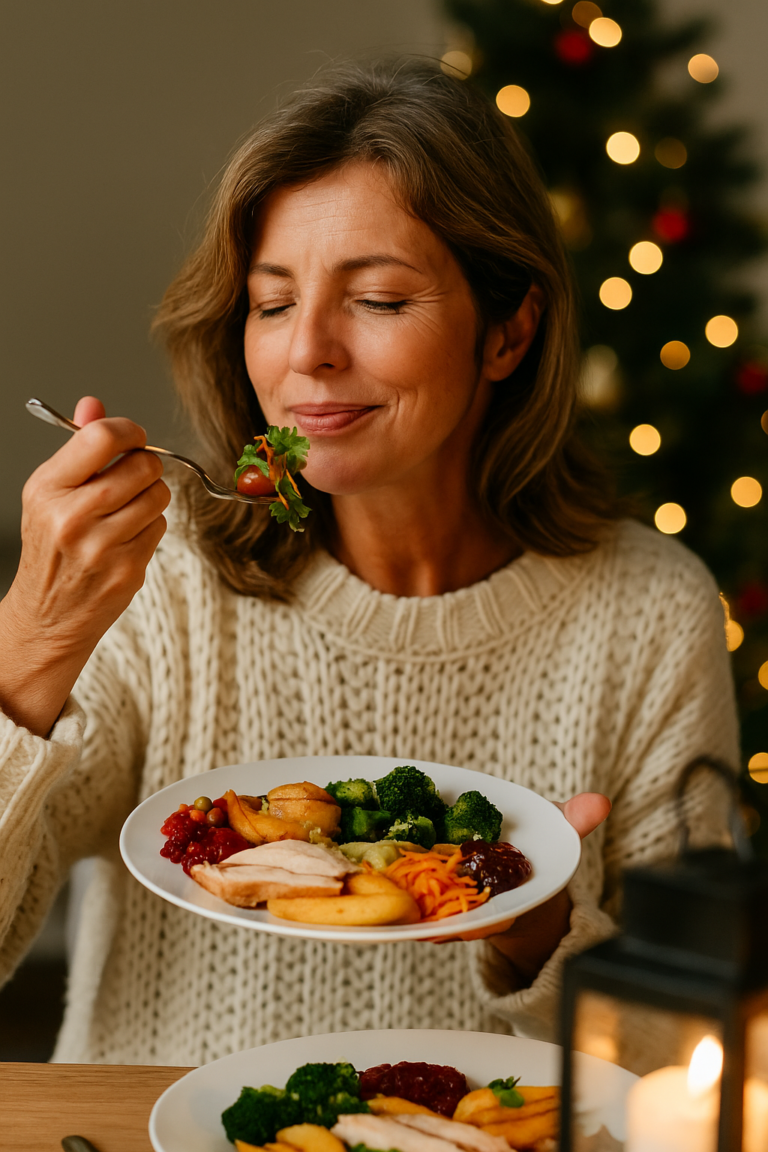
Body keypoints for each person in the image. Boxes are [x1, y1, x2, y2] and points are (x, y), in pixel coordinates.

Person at [0, 59, 737, 1066]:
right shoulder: (167, 574)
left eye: (379, 299)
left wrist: (537, 932)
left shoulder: (651, 612)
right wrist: (29, 643)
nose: (307, 352)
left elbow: (691, 1053)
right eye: (270, 303)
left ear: (509, 331)